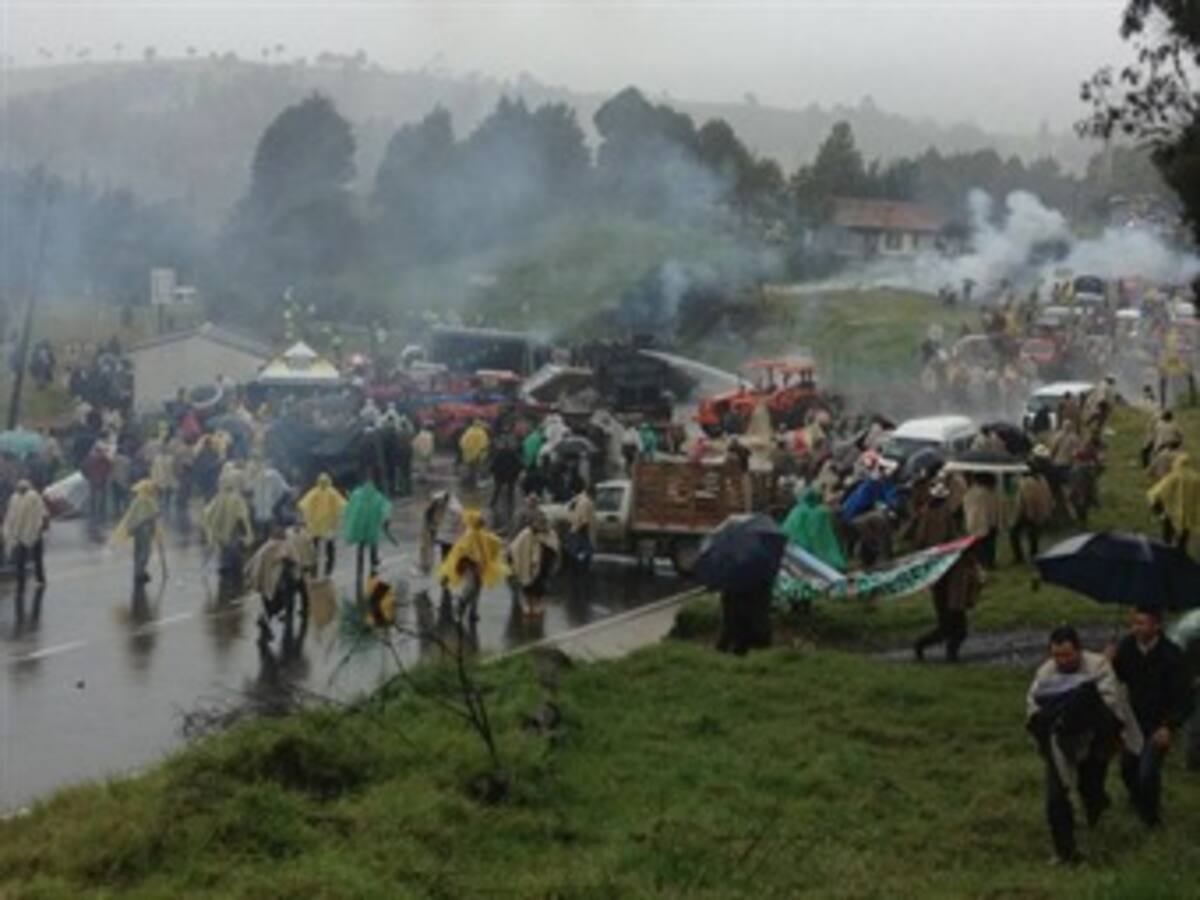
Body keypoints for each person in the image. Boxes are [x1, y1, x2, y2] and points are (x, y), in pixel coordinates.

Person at [1027, 625, 1142, 864]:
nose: (1062, 660)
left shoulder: (1098, 666)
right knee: (1056, 797)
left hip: (1095, 741)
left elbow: (1111, 706)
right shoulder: (1045, 672)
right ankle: (1066, 853)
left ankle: (1096, 821)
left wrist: (1078, 703)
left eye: (1067, 655)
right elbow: (1034, 712)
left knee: (1091, 789)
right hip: (1059, 741)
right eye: (1057, 655)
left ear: (1079, 651)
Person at [1111, 606, 1195, 827]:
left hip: (1159, 723)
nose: (1136, 628)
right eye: (1134, 623)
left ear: (1157, 626)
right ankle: (1138, 802)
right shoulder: (1127, 648)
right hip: (1133, 721)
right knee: (1127, 768)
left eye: (1142, 623)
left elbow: (1186, 698)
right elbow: (1116, 678)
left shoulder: (1172, 655)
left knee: (1148, 772)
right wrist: (1108, 662)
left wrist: (1169, 726)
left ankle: (1152, 821)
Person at [913, 482, 982, 662]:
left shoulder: (926, 516)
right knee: (955, 625)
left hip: (938, 575)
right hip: (951, 576)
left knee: (947, 624)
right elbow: (952, 541)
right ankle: (936, 651)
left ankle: (931, 649)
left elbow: (920, 542)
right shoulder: (946, 515)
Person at [439, 509, 507, 625]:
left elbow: (491, 540)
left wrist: (500, 541)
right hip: (469, 565)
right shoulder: (469, 535)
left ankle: (473, 611)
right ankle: (460, 605)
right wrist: (472, 561)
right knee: (471, 587)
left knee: (477, 587)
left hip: (479, 565)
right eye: (479, 520)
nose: (481, 522)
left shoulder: (480, 533)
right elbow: (462, 551)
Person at [245, 525, 309, 643]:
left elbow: (251, 565)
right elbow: (296, 561)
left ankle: (265, 623)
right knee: (278, 604)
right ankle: (269, 624)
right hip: (282, 582)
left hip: (267, 583)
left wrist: (252, 580)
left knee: (270, 603)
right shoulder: (287, 545)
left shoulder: (264, 548)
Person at [342, 470, 392, 600]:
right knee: (372, 545)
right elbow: (385, 507)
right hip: (371, 527)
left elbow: (349, 507)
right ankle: (373, 565)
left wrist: (347, 519)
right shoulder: (376, 496)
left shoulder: (358, 494)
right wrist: (386, 518)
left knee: (362, 546)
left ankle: (363, 566)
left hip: (360, 528)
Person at [508, 512, 560, 618]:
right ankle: (527, 605)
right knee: (527, 586)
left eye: (543, 522)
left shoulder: (550, 533)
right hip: (527, 564)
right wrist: (512, 559)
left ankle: (538, 605)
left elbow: (555, 547)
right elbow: (515, 547)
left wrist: (548, 552)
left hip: (544, 565)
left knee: (541, 587)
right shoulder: (526, 533)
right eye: (538, 522)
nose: (541, 525)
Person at [781, 485, 846, 571]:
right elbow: (820, 538)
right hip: (809, 554)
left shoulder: (796, 510)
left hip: (789, 550)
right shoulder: (819, 513)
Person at [202, 475, 254, 582]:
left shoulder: (218, 498)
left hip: (220, 529)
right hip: (233, 528)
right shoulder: (237, 498)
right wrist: (248, 532)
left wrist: (210, 527)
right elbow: (243, 516)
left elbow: (207, 512)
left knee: (224, 548)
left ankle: (226, 567)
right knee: (232, 548)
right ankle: (231, 570)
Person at [1147, 453, 1200, 552]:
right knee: (1183, 537)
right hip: (1188, 513)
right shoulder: (1197, 478)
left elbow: (1156, 493)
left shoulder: (1173, 476)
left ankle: (1165, 552)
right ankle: (1180, 554)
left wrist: (1157, 508)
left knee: (1167, 536)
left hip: (1171, 511)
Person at [297, 472, 345, 578]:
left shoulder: (318, 492)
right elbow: (342, 505)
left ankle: (320, 569)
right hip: (324, 526)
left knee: (320, 548)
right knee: (327, 548)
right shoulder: (330, 492)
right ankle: (326, 568)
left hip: (319, 526)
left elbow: (302, 505)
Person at [3, 479, 48, 592]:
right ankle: (40, 579)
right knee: (36, 557)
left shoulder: (15, 498)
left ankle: (21, 582)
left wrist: (9, 531)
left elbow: (10, 516)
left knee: (21, 559)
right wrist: (43, 526)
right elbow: (43, 513)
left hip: (21, 533)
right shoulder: (34, 496)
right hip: (34, 531)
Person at [115, 479, 160, 587]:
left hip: (136, 530)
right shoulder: (148, 501)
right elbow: (149, 517)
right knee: (145, 552)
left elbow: (131, 516)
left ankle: (138, 571)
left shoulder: (137, 501)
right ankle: (140, 572)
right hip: (145, 530)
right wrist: (153, 527)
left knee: (138, 551)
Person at [1010, 459, 1055, 563]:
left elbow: (1027, 499)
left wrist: (1027, 512)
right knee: (1033, 534)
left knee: (1014, 534)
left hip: (1027, 512)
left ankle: (1019, 557)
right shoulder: (1042, 479)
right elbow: (1048, 495)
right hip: (1040, 510)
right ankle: (1034, 554)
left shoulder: (1026, 482)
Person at [247, 459, 292, 541]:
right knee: (266, 535)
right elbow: (249, 490)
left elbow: (286, 492)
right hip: (264, 515)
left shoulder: (272, 475)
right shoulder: (256, 479)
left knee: (271, 535)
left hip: (270, 513)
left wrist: (276, 507)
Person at [565, 483, 596, 573]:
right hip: (583, 531)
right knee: (584, 554)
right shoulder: (587, 502)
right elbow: (585, 521)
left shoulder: (576, 499)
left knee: (574, 552)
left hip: (574, 529)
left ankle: (575, 571)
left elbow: (568, 511)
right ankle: (582, 572)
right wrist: (586, 536)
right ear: (591, 492)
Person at [459, 419, 490, 488]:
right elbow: (484, 444)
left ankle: (470, 481)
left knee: (470, 467)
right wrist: (482, 452)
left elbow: (462, 442)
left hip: (468, 453)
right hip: (478, 454)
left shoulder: (468, 431)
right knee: (476, 468)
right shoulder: (482, 433)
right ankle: (475, 482)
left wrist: (465, 450)